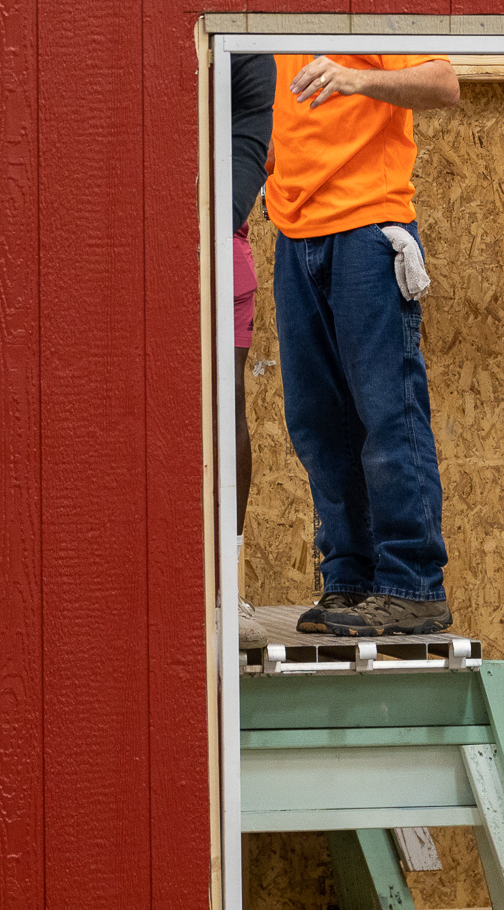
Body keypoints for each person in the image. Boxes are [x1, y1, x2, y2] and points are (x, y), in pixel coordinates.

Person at [264, 0, 462, 640]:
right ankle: (347, 578)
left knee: (387, 407)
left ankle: (413, 583)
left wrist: (355, 76)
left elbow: (444, 81)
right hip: (296, 230)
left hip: (368, 227)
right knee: (316, 418)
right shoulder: (273, 4)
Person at [230, 51, 276, 651]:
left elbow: (244, 160)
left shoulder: (248, 55)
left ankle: (226, 582)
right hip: (217, 240)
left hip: (217, 245)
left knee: (225, 407)